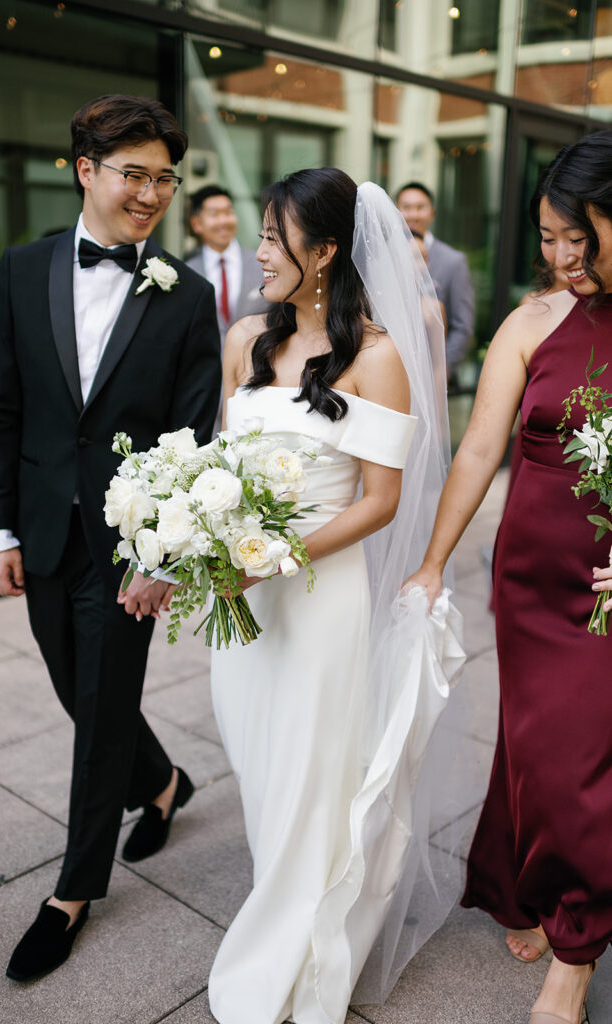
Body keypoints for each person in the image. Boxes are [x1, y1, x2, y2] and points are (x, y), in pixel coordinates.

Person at [202, 168, 466, 1024]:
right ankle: (282, 892)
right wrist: (177, 545)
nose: (260, 252)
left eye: (276, 240)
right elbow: (212, 463)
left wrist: (269, 559)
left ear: (324, 253)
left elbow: (380, 500)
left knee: (306, 771)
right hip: (237, 602)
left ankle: (295, 943)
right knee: (255, 760)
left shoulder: (378, 356)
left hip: (315, 597)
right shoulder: (244, 338)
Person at [0, 94, 221, 982]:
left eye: (165, 177)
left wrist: (159, 558)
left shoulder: (188, 298)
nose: (151, 192)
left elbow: (192, 439)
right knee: (78, 690)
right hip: (41, 529)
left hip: (128, 548)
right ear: (86, 169)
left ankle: (70, 894)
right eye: (133, 174)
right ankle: (163, 784)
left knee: (99, 714)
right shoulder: (21, 269)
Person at [407, 131, 612, 1023]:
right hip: (528, 579)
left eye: (583, 238)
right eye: (547, 238)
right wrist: (431, 562)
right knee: (536, 747)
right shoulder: (528, 323)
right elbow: (480, 450)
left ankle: (576, 949)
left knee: (577, 757)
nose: (563, 258)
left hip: (606, 588)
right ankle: (532, 880)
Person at [396, 181, 475, 382]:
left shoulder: (453, 261)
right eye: (406, 207)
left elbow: (463, 325)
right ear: (396, 212)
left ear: (432, 212)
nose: (413, 215)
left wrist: (441, 372)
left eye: (420, 207)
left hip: (432, 377)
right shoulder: (384, 256)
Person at [185, 184, 266, 339]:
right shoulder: (188, 271)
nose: (224, 221)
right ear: (196, 224)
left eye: (228, 212)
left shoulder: (261, 263)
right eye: (214, 214)